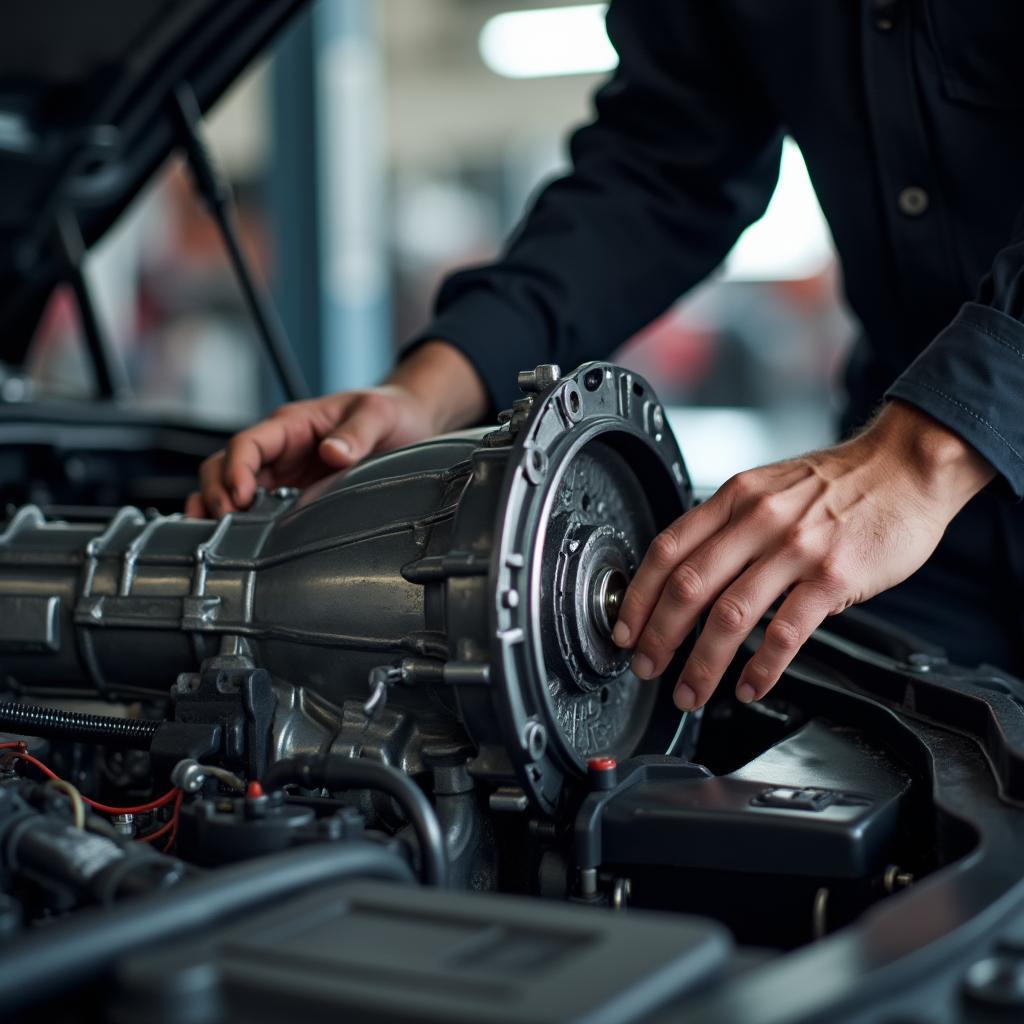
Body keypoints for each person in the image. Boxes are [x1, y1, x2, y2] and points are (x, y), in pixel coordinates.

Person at [188, 1, 1024, 711]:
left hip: (910, 478)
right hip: (912, 539)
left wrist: (926, 454)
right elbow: (661, 172)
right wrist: (429, 390)